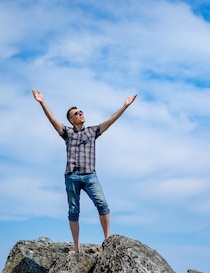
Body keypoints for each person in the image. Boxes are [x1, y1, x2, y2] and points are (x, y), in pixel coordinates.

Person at [32, 89, 137, 253]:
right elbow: (52, 119)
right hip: (72, 176)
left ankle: (107, 241)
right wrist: (42, 102)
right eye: (77, 113)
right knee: (73, 211)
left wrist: (125, 106)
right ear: (71, 119)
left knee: (102, 205)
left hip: (90, 176)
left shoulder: (92, 131)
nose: (81, 114)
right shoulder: (67, 133)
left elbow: (111, 120)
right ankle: (76, 247)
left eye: (81, 112)